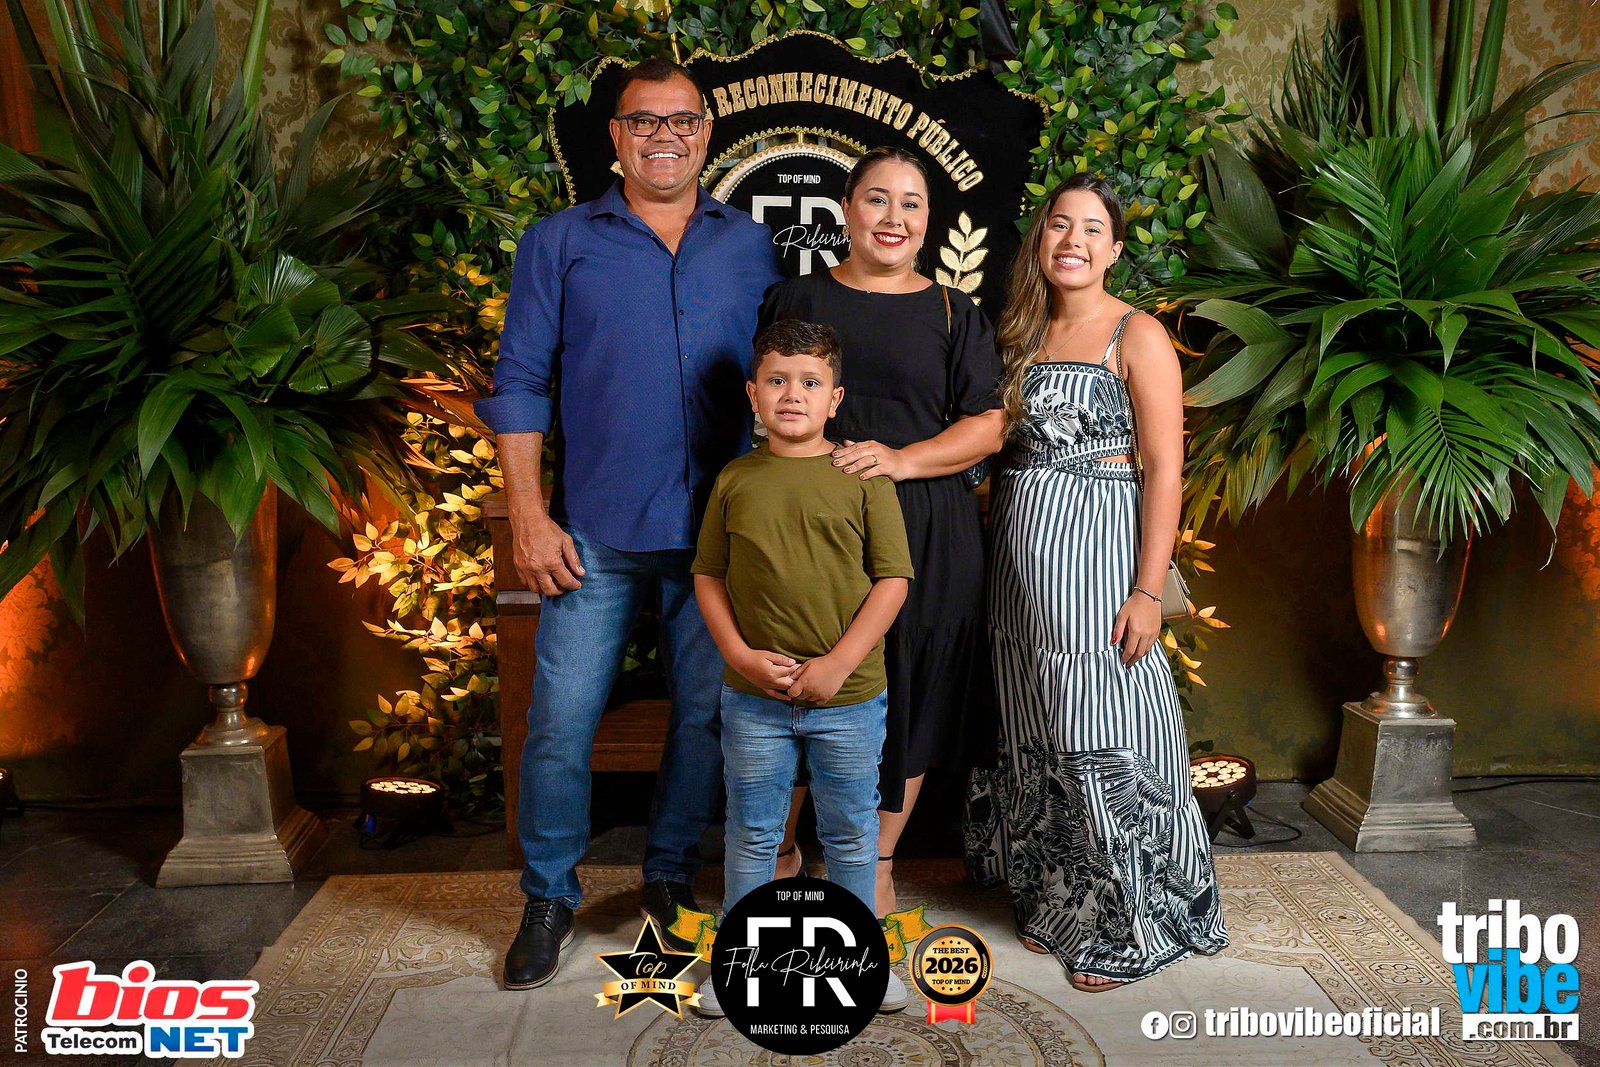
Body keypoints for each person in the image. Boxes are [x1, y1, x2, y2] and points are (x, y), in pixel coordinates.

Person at [476, 56, 782, 991]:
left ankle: (668, 873)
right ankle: (548, 895)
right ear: (615, 136)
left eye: (682, 121)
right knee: (558, 724)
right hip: (593, 533)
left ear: (706, 134)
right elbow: (520, 381)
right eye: (644, 121)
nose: (664, 137)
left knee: (704, 719)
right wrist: (529, 514)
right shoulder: (558, 242)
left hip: (718, 537)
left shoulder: (750, 246)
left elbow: (786, 380)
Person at [964, 174, 1227, 991]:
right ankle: (1057, 901)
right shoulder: (1021, 330)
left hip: (1098, 554)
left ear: (1114, 249)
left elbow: (1165, 467)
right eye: (1058, 225)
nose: (1072, 240)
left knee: (1095, 725)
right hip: (1019, 561)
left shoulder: (1135, 333)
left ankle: (1125, 923)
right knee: (1033, 719)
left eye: (1090, 228)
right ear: (1040, 240)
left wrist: (1147, 590)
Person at [756, 147, 1004, 916]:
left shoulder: (955, 312)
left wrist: (900, 459)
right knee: (803, 682)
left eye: (911, 204)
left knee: (913, 693)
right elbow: (764, 399)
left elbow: (989, 424)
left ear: (929, 221)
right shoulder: (795, 297)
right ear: (846, 209)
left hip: (928, 528)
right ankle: (782, 850)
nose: (894, 218)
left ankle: (876, 862)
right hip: (813, 528)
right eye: (877, 199)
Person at [690, 318, 914, 1016]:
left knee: (849, 833)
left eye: (810, 382)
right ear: (753, 394)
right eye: (778, 381)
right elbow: (708, 575)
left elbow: (894, 580)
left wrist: (838, 665)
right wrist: (738, 656)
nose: (793, 394)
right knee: (753, 834)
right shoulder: (735, 479)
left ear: (835, 398)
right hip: (754, 697)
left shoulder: (862, 478)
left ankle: (861, 959)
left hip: (849, 697)